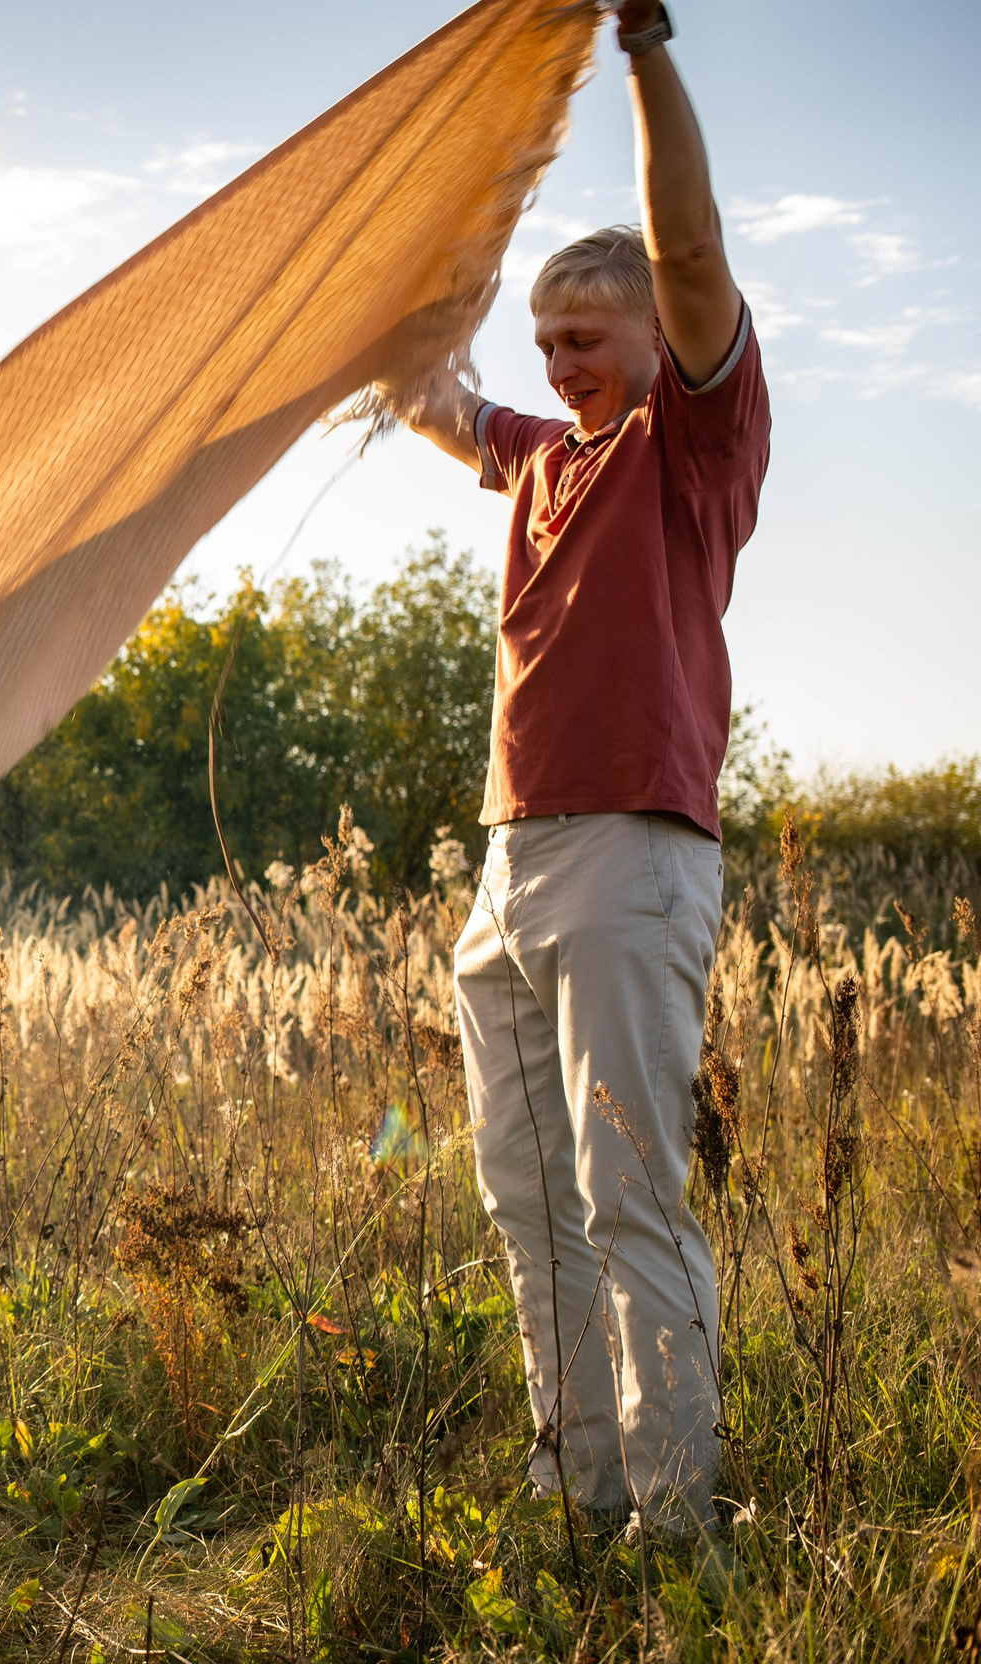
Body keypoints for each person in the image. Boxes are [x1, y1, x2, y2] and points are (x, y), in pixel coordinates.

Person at [390, 1, 767, 1534]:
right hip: (508, 862)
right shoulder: (543, 455)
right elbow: (430, 394)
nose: (560, 364)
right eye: (546, 342)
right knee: (526, 1193)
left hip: (631, 849)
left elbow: (688, 252)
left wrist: (647, 55)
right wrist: (406, 266)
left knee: (627, 1197)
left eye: (584, 338)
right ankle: (577, 1494)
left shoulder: (688, 437)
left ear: (652, 342)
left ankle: (678, 1527)